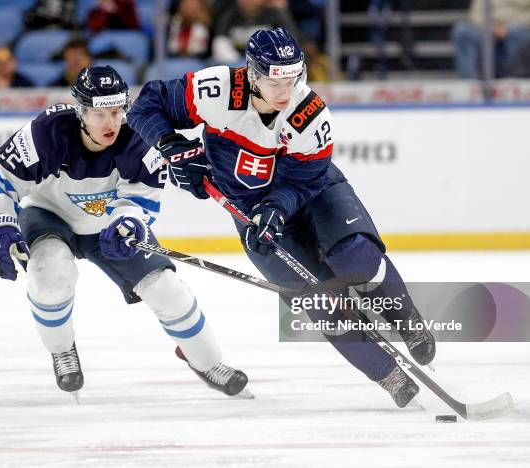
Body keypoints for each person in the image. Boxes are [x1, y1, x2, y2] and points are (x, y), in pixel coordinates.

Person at [127, 28, 436, 409]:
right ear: (252, 74)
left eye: (292, 77)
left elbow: (304, 180)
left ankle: (404, 317)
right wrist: (170, 143)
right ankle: (387, 374)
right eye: (275, 80)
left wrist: (276, 207)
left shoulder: (310, 113)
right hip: (249, 210)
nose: (285, 90)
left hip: (314, 192)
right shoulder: (216, 89)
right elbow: (146, 105)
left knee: (355, 257)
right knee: (320, 300)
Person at [0, 65, 248, 398]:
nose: (112, 122)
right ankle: (62, 349)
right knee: (49, 271)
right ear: (80, 112)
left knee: (166, 289)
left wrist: (129, 221)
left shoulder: (138, 135)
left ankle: (207, 362)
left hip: (110, 226)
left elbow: (141, 195)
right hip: (49, 216)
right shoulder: (46, 133)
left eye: (117, 111)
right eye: (100, 114)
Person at [452, 0, 530, 79]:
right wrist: (490, 27)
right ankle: (469, 83)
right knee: (462, 31)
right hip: (487, 27)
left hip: (520, 26)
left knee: (518, 33)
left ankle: (513, 80)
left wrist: (507, 28)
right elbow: (476, 14)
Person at [211, 0, 299, 64]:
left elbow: (289, 42)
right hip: (235, 62)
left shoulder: (276, 15)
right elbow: (220, 43)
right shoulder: (229, 15)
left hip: (270, 61)